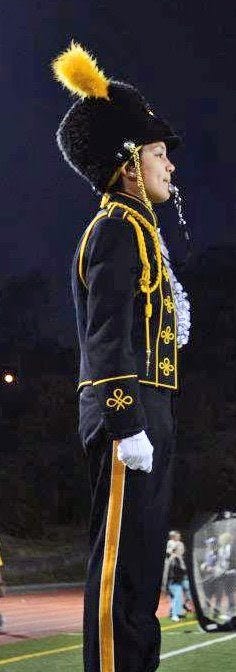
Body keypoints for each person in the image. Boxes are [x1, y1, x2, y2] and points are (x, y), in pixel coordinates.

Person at [52, 41, 191, 672]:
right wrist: (127, 419)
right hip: (123, 418)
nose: (171, 166)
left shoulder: (139, 229)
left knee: (141, 575)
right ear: (129, 163)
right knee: (117, 578)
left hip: (149, 413)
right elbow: (106, 339)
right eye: (160, 153)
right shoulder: (116, 227)